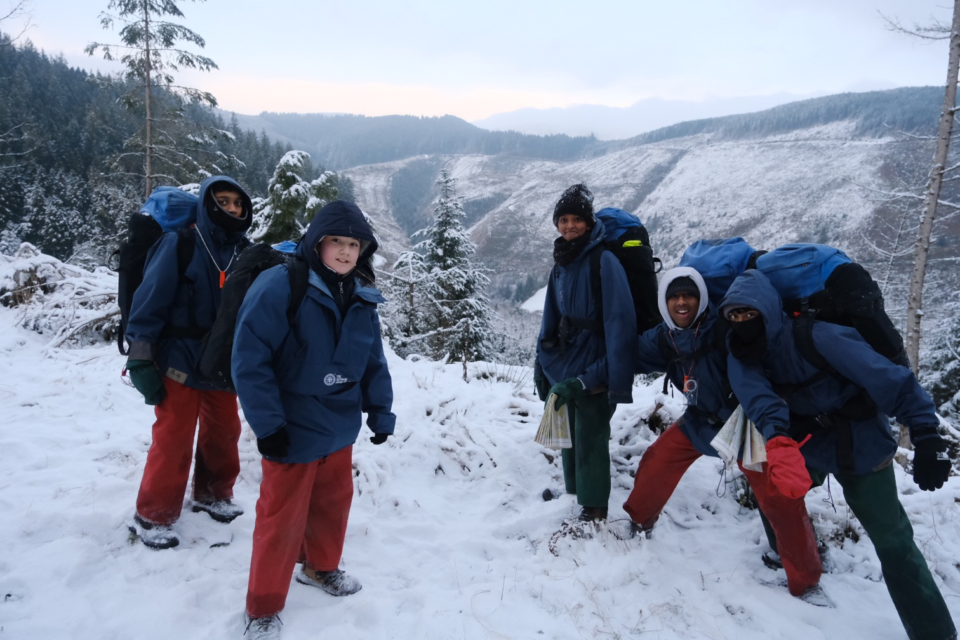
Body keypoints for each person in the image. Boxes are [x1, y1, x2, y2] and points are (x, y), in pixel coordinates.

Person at [721, 269, 956, 640]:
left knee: (893, 540)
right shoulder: (740, 350)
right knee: (772, 489)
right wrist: (778, 440)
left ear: (767, 309)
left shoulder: (817, 335)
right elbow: (757, 397)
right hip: (806, 444)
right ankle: (796, 558)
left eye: (749, 313)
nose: (741, 322)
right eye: (733, 316)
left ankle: (935, 632)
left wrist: (926, 434)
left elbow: (886, 377)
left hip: (861, 442)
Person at [564, 266, 824, 601]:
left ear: (702, 299)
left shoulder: (724, 334)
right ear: (665, 302)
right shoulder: (665, 338)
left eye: (689, 295)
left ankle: (806, 581)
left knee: (778, 497)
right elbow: (623, 356)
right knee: (658, 461)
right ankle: (640, 524)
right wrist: (582, 381)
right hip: (701, 420)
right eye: (674, 296)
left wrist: (776, 434)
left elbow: (755, 386)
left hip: (743, 424)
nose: (682, 302)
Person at [233, 200, 396, 639]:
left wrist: (380, 410)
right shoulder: (281, 285)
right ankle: (262, 607)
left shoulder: (361, 293)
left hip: (340, 425)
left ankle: (321, 568)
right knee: (281, 518)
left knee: (332, 504)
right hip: (292, 425)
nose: (346, 252)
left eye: (355, 244)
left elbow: (372, 359)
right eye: (337, 242)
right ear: (316, 241)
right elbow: (250, 360)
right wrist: (268, 426)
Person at [125, 176, 253, 550]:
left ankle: (213, 494)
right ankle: (153, 514)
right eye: (223, 201)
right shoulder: (178, 243)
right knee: (174, 437)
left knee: (224, 431)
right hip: (178, 357)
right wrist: (140, 357)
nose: (231, 209)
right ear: (207, 204)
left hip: (221, 362)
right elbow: (149, 301)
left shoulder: (244, 251)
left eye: (238, 204)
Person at [534, 183, 637, 522]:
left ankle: (594, 507)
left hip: (596, 362)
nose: (569, 226)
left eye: (576, 219)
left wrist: (611, 373)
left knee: (591, 431)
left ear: (589, 223)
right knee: (569, 428)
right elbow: (551, 314)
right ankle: (575, 493)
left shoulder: (603, 260)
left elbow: (620, 321)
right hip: (565, 359)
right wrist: (541, 362)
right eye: (563, 219)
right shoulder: (561, 262)